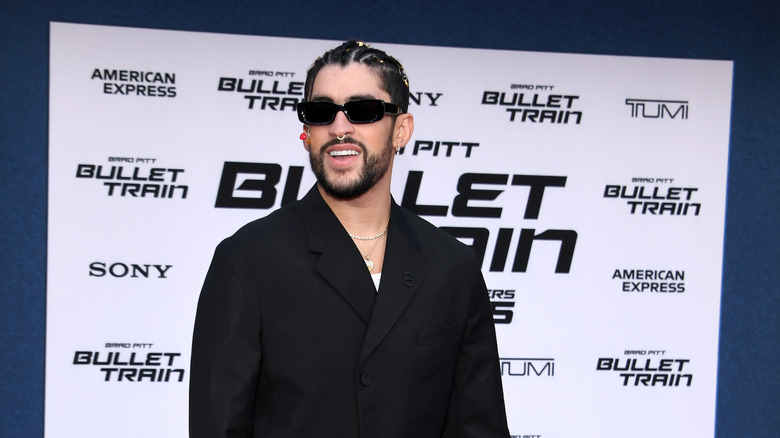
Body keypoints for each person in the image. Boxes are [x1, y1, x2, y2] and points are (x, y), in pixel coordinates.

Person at [190, 40, 510, 438]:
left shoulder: (452, 268)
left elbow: (479, 428)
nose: (340, 128)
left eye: (362, 111)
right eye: (322, 112)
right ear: (307, 130)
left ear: (402, 130)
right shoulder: (249, 260)